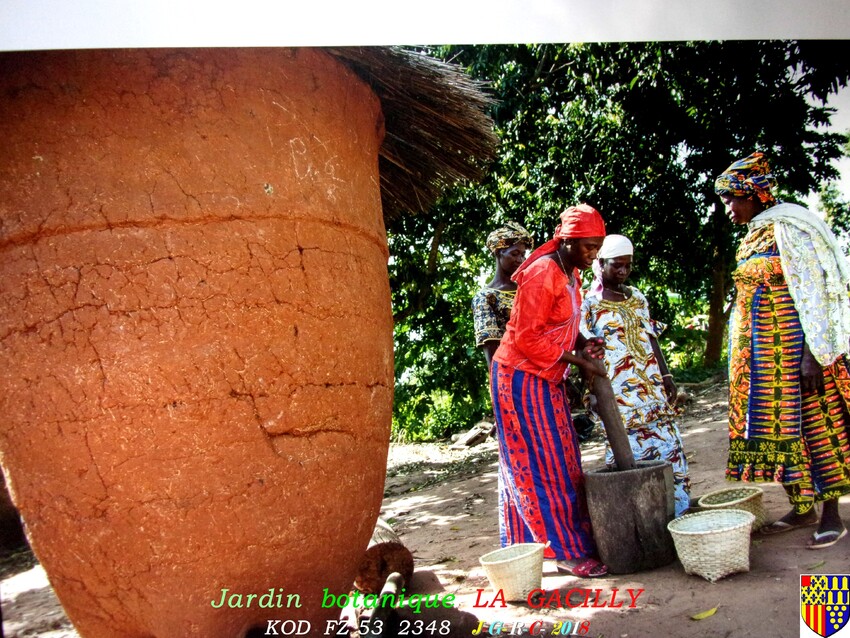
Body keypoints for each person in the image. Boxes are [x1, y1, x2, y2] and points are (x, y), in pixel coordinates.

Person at [715, 151, 850, 549]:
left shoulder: (792, 228)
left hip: (797, 352)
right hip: (763, 358)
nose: (728, 210)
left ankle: (831, 515)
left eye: (732, 200)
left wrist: (812, 354)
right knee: (779, 429)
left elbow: (818, 294)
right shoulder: (754, 233)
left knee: (817, 426)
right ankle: (801, 506)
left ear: (754, 194)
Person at [490, 204, 609, 577]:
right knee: (545, 462)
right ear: (568, 241)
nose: (593, 254)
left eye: (597, 247)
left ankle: (524, 547)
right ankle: (566, 550)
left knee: (556, 457)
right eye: (588, 246)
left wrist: (586, 341)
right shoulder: (543, 273)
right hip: (520, 376)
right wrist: (580, 363)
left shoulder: (570, 272)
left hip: (545, 375)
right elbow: (526, 337)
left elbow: (563, 325)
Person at [581, 234, 691, 516]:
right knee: (627, 450)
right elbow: (584, 352)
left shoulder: (637, 297)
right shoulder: (589, 305)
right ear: (600, 263)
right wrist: (590, 392)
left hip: (651, 385)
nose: (623, 271)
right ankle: (641, 518)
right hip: (618, 393)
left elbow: (651, 338)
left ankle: (678, 512)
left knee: (669, 445)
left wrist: (666, 376)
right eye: (616, 265)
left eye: (627, 266)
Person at [472, 222, 534, 374]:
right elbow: (492, 350)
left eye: (523, 255)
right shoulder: (485, 297)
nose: (520, 260)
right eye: (514, 254)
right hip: (512, 373)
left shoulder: (529, 289)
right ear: (499, 253)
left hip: (545, 368)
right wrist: (499, 386)